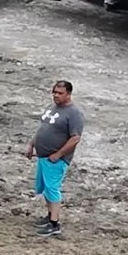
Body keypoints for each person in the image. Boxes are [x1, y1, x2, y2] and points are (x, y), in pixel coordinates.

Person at [27, 79, 84, 237]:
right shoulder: (52, 108)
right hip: (43, 156)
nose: (56, 95)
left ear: (69, 94)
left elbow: (75, 138)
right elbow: (43, 128)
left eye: (60, 93)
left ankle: (54, 224)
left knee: (52, 189)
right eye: (54, 92)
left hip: (56, 159)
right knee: (45, 188)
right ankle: (49, 216)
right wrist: (32, 145)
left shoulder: (74, 114)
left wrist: (58, 155)